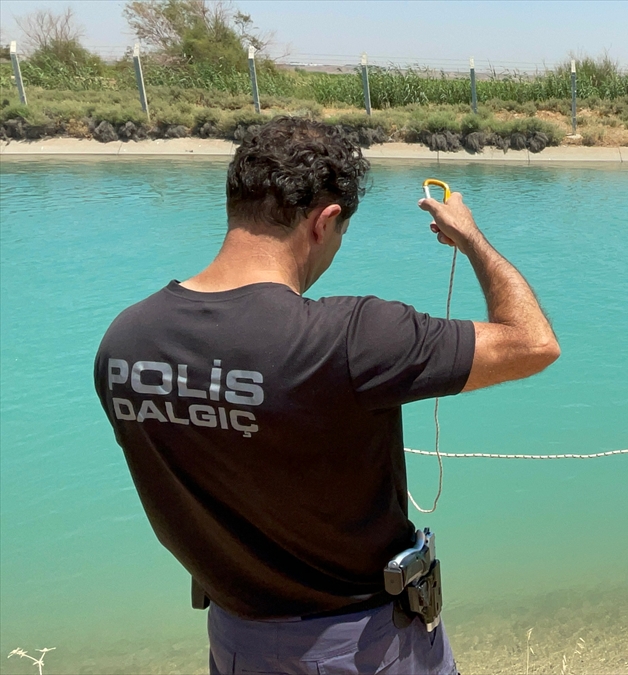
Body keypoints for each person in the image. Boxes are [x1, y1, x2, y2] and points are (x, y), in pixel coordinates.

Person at [93, 117, 560, 675]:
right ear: (325, 221)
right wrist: (471, 238)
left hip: (235, 642)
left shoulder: (125, 344)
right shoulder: (350, 337)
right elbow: (532, 342)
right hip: (362, 648)